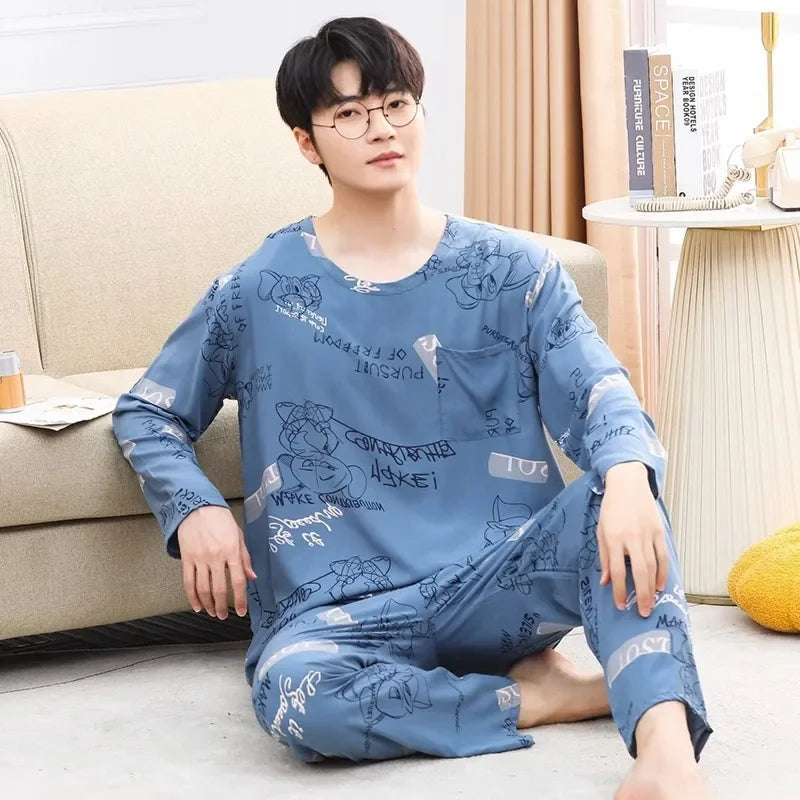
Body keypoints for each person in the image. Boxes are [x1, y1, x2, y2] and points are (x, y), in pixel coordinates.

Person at [111, 15, 713, 799]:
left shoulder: (514, 270)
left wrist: (630, 476)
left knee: (624, 490)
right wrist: (195, 510)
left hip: (494, 582)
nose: (381, 128)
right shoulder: (258, 289)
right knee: (295, 699)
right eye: (350, 114)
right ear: (306, 142)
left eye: (396, 104)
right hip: (338, 618)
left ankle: (666, 753)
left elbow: (602, 391)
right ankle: (542, 696)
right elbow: (148, 412)